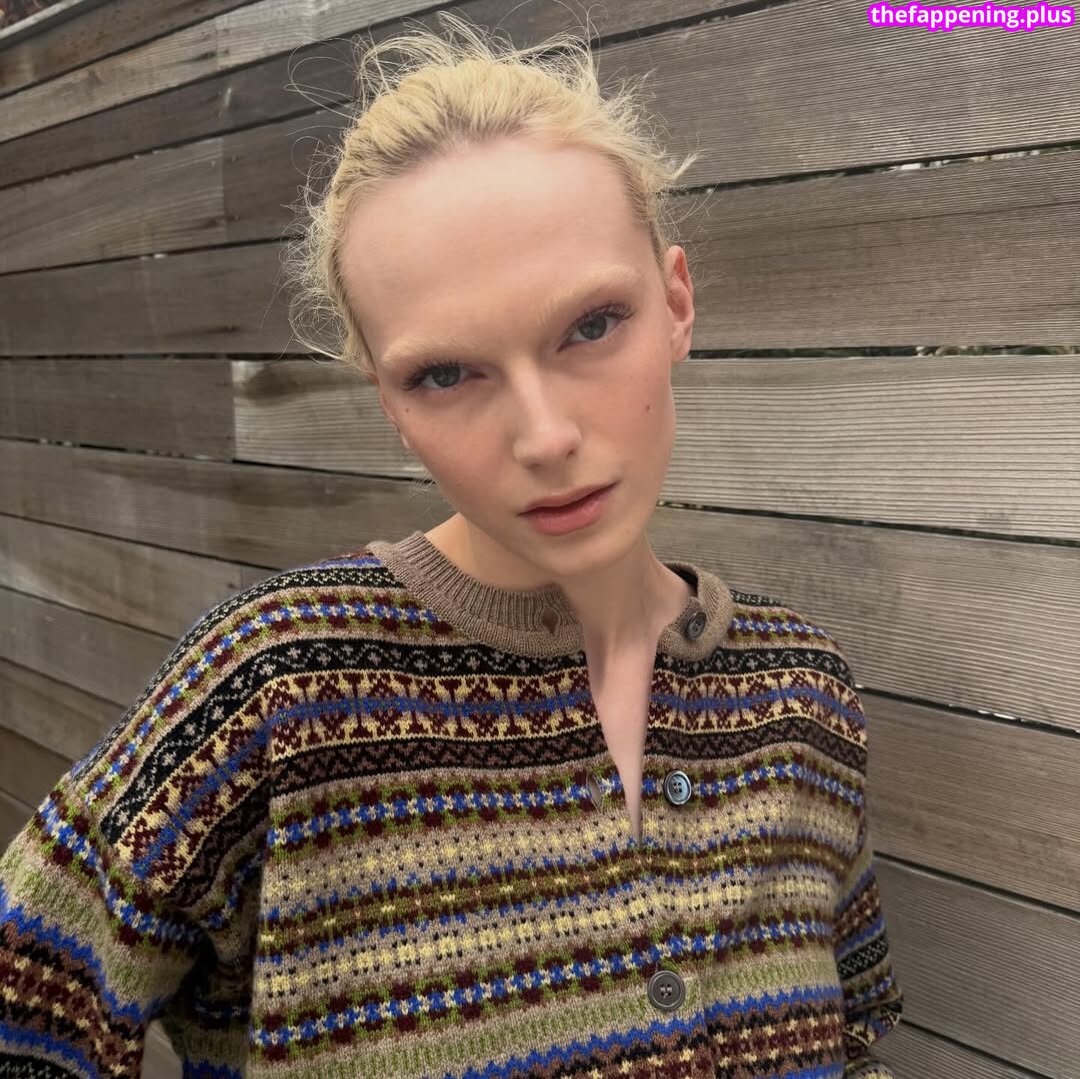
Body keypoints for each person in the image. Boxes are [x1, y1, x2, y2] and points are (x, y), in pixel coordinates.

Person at [0, 11, 903, 1077]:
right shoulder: (277, 686)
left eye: (592, 324)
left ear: (676, 302)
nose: (545, 435)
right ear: (390, 402)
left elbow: (854, 1039)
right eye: (445, 373)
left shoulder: (801, 692)